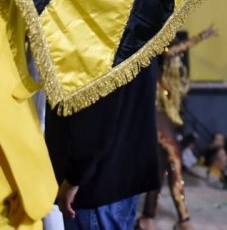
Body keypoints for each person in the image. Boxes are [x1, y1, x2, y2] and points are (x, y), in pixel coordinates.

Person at [46, 62, 160, 229]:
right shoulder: (139, 35)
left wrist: (75, 176)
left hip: (92, 184)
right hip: (121, 175)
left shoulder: (106, 38)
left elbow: (98, 108)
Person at [138, 27, 217, 230]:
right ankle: (183, 218)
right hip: (155, 117)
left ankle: (149, 217)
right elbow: (169, 51)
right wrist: (199, 38)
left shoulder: (165, 70)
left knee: (161, 168)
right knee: (174, 161)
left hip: (162, 118)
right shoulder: (155, 49)